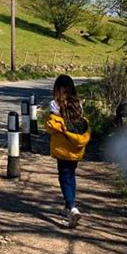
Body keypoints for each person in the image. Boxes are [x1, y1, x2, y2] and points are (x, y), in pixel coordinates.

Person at [45, 74, 91, 228]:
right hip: (76, 148)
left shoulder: (54, 104)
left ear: (57, 89)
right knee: (71, 175)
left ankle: (72, 208)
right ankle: (67, 206)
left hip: (63, 148)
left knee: (64, 177)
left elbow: (52, 126)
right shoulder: (78, 104)